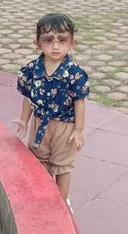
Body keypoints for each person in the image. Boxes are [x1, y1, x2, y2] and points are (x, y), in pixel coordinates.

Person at [14, 13, 89, 205]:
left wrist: (78, 130)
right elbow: (28, 96)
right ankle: (43, 198)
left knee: (62, 166)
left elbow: (79, 102)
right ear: (38, 43)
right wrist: (24, 120)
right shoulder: (32, 69)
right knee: (39, 163)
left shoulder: (74, 72)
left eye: (62, 40)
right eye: (48, 40)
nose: (55, 46)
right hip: (39, 123)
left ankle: (62, 204)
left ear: (72, 43)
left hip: (65, 126)